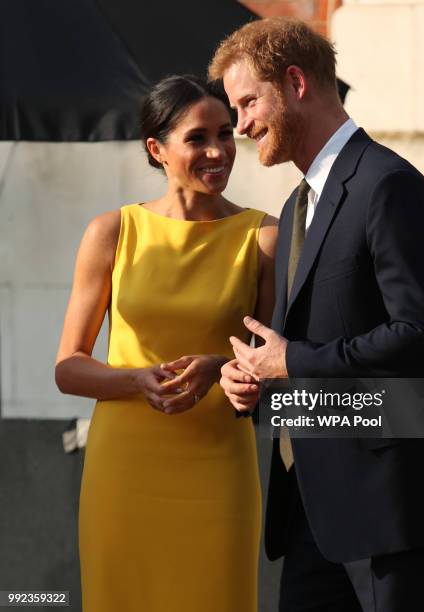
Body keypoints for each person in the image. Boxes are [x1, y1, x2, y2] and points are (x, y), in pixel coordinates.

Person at [210, 18, 424, 612]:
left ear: (295, 83)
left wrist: (293, 359)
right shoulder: (293, 206)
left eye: (248, 103)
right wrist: (257, 378)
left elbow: (423, 334)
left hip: (394, 514)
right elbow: (302, 350)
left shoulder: (388, 184)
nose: (241, 126)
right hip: (311, 510)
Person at [55, 75, 277, 612]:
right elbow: (68, 367)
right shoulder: (112, 232)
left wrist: (217, 367)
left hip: (218, 470)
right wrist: (135, 379)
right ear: (156, 149)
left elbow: (275, 366)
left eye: (226, 134)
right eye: (198, 138)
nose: (219, 150)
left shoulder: (263, 236)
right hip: (125, 471)